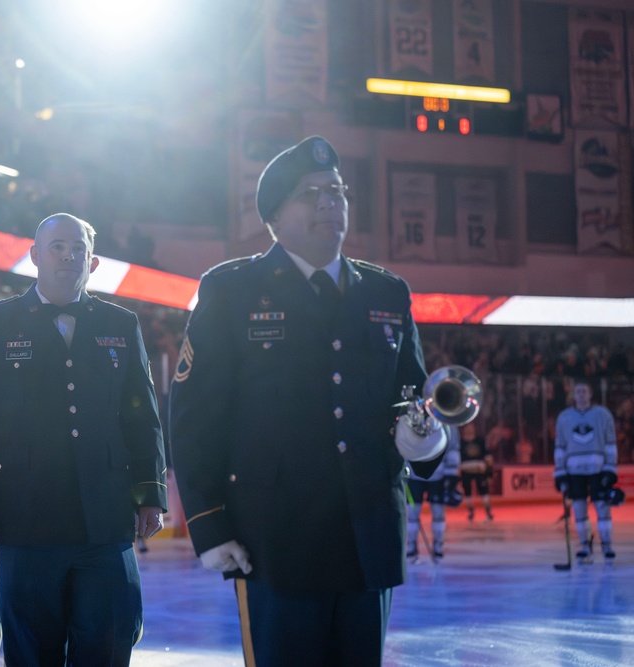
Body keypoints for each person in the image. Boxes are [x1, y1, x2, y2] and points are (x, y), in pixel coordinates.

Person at [168, 136, 449, 666]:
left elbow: (410, 397)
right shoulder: (233, 291)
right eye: (311, 194)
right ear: (274, 216)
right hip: (273, 543)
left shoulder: (386, 293)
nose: (329, 202)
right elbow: (193, 417)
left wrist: (427, 440)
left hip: (367, 538)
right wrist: (208, 523)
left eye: (337, 191)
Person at [0, 213, 167, 666]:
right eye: (57, 246)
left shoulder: (121, 325)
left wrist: (151, 493)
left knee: (109, 642)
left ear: (94, 261)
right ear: (33, 256)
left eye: (78, 249)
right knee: (31, 651)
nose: (69, 256)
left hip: (104, 521)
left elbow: (142, 416)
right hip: (26, 520)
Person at [554, 379, 619, 563]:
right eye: (578, 392)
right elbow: (559, 446)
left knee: (602, 507)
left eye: (584, 391)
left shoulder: (603, 415)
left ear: (590, 394)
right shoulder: (564, 417)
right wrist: (560, 473)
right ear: (573, 396)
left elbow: (610, 443)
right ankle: (585, 545)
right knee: (579, 508)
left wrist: (610, 469)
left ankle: (607, 546)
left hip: (598, 469)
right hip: (574, 471)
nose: (581, 394)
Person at [406, 428, 462, 561]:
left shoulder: (446, 424)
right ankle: (411, 546)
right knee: (413, 512)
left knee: (437, 512)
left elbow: (452, 447)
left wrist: (451, 475)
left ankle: (438, 546)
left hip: (437, 476)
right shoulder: (410, 419)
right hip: (415, 476)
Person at [459, 421, 495, 522]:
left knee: (484, 491)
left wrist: (489, 473)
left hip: (480, 470)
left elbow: (488, 457)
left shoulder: (481, 441)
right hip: (465, 470)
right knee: (467, 492)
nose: (469, 429)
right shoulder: (460, 443)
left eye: (471, 427)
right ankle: (471, 512)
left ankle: (488, 512)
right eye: (467, 427)